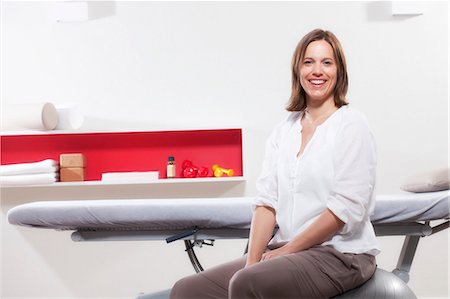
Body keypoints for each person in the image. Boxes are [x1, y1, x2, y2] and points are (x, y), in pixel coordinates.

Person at [170, 28, 379, 299]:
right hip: (289, 250)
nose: (317, 71)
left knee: (247, 284)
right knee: (188, 290)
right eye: (309, 62)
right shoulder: (285, 130)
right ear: (298, 70)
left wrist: (285, 251)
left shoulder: (351, 125)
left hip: (340, 254)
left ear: (339, 72)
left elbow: (344, 209)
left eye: (327, 63)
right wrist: (251, 262)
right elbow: (267, 202)